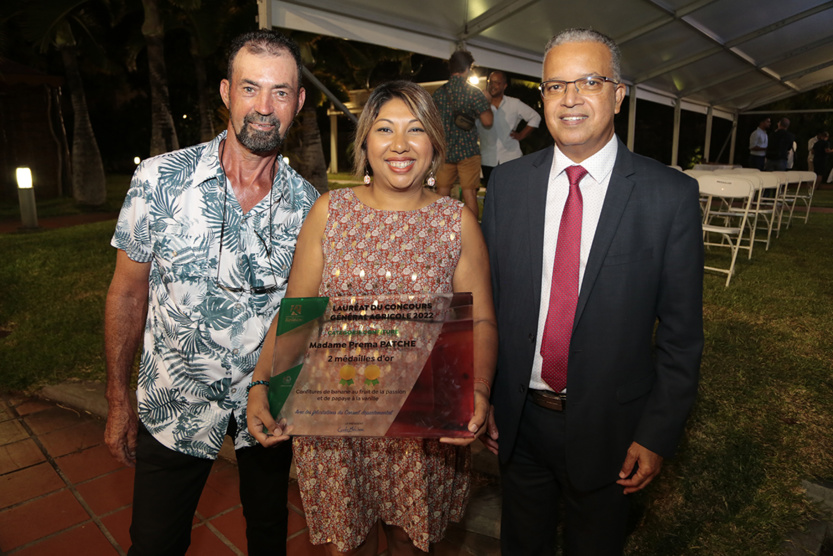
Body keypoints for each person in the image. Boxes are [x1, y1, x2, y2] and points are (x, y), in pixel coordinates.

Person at [247, 80, 497, 555]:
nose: (400, 145)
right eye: (384, 129)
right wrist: (262, 382)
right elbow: (297, 313)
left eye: (416, 130)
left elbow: (482, 321)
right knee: (350, 543)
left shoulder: (457, 222)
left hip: (423, 436)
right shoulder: (329, 212)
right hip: (337, 428)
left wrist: (479, 388)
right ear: (364, 142)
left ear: (435, 144)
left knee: (410, 542)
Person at [480, 28, 704, 555]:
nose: (571, 98)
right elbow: (489, 306)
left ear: (619, 95)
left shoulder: (669, 196)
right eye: (556, 86)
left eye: (589, 82)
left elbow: (681, 336)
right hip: (520, 422)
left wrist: (655, 434)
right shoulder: (509, 188)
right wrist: (484, 393)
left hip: (613, 427)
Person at [104, 30, 319, 555]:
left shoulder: (313, 208)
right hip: (174, 401)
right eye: (250, 89)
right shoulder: (159, 180)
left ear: (299, 102)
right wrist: (116, 397)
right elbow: (127, 295)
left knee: (270, 538)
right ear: (225, 92)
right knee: (154, 543)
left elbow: (303, 316)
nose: (264, 108)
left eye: (281, 92)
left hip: (265, 409)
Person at [432, 50, 494, 217]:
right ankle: (472, 234)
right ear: (467, 68)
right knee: (469, 194)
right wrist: (487, 102)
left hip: (445, 151)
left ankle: (439, 230)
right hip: (468, 151)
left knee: (442, 192)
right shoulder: (474, 93)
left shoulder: (439, 93)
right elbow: (487, 122)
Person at [477, 70, 542, 186]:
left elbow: (535, 117)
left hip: (510, 157)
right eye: (490, 82)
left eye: (497, 83)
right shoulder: (479, 104)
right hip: (487, 158)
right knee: (491, 192)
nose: (492, 85)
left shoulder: (514, 103)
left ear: (504, 86)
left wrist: (521, 135)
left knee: (511, 191)